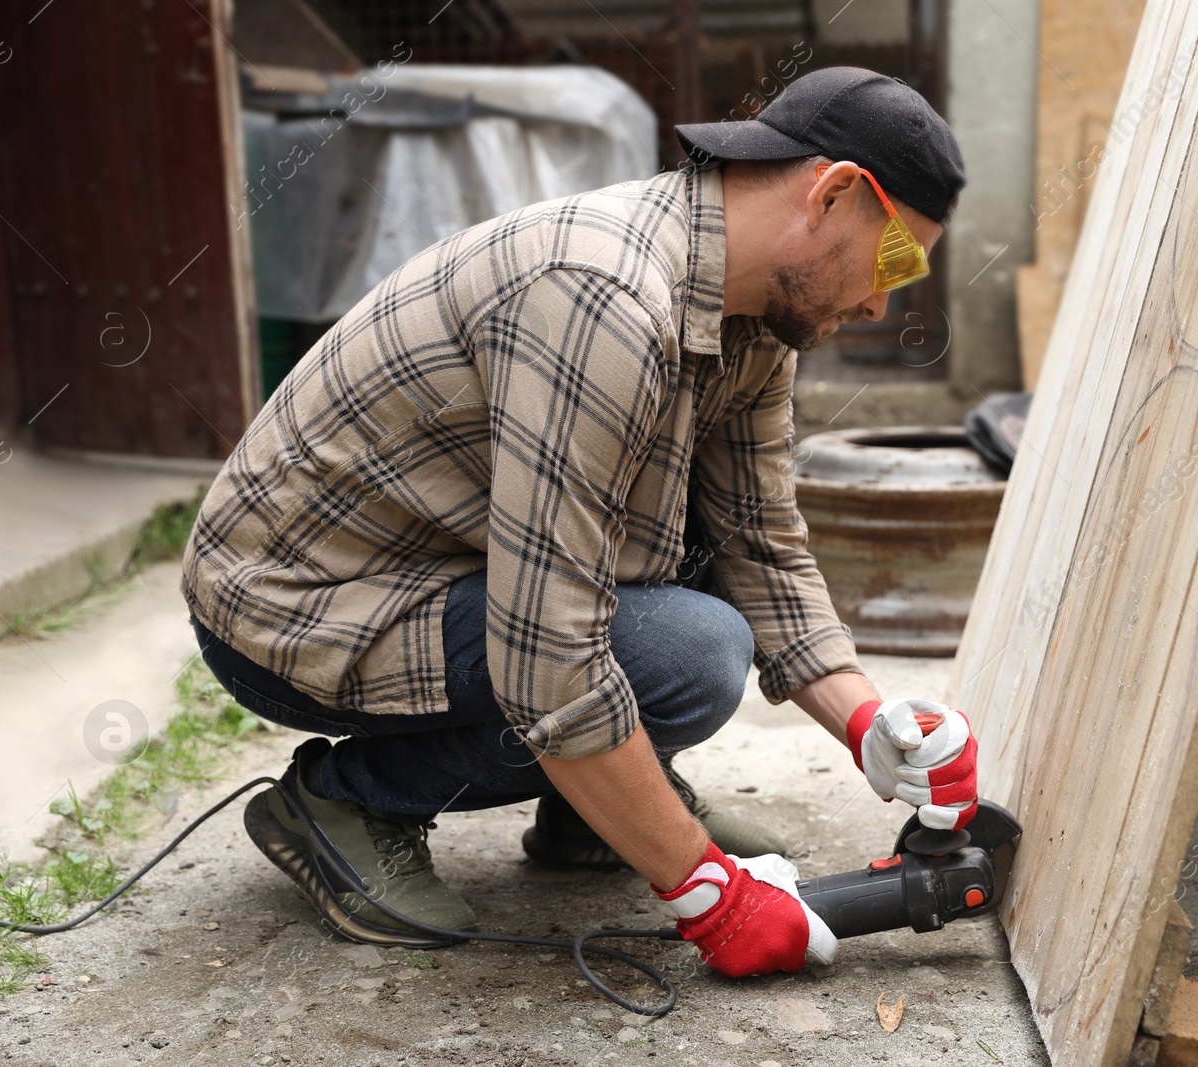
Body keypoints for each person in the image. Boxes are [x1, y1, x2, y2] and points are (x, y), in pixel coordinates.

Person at [181, 66, 980, 976]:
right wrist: (704, 889)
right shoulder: (604, 294)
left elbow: (760, 539)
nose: (882, 303)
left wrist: (871, 723)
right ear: (833, 192)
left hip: (448, 575)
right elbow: (550, 661)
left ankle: (591, 810)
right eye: (893, 262)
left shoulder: (756, 317)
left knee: (698, 585)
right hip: (294, 605)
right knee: (686, 652)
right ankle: (347, 801)